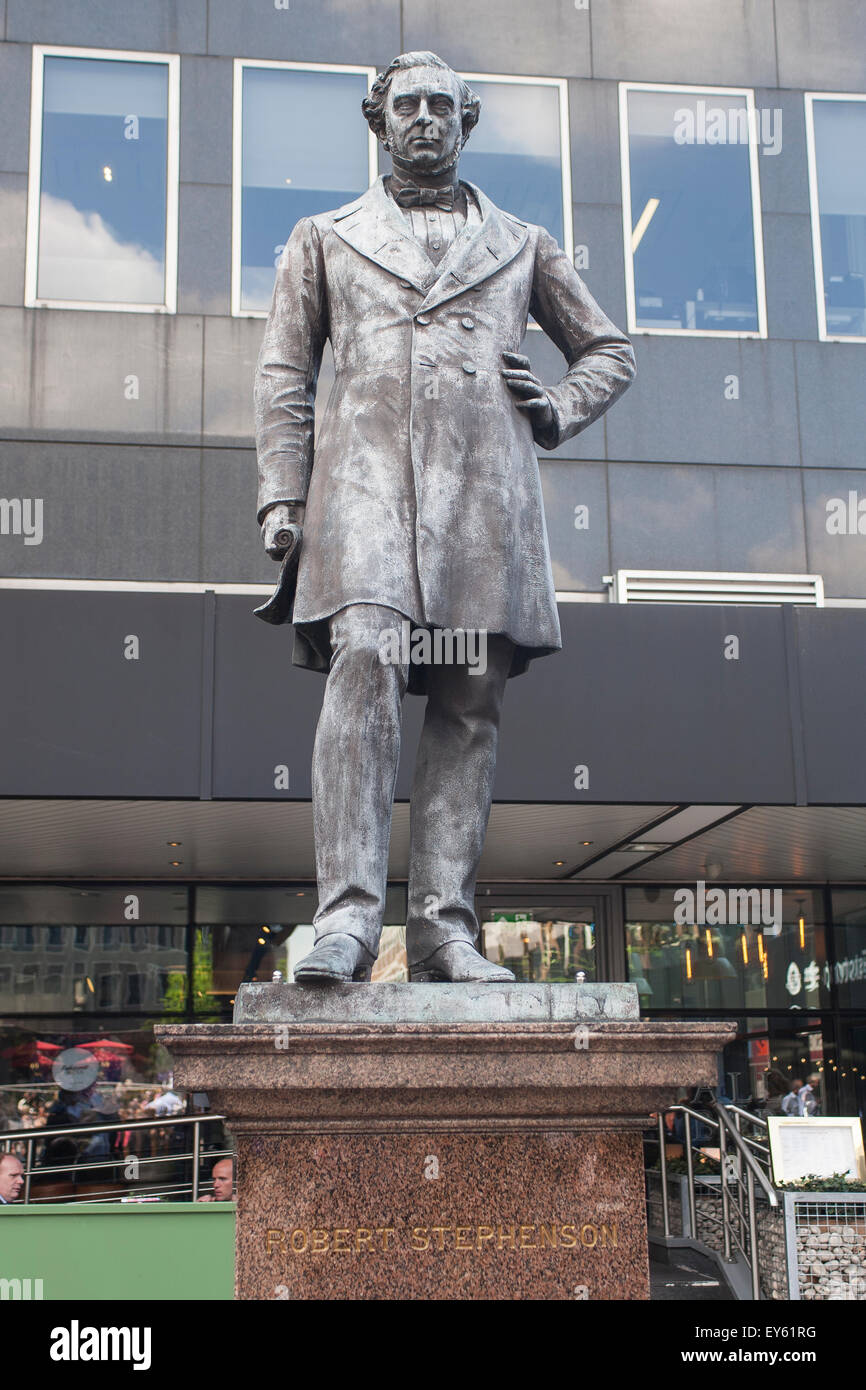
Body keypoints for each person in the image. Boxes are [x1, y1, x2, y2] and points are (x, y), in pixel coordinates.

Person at [255, 51, 635, 985]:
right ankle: (345, 919)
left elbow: (609, 351)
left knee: (468, 699)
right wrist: (281, 494)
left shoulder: (522, 239)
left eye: (440, 105)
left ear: (465, 120)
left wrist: (555, 406)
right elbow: (283, 374)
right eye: (406, 105)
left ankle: (443, 929)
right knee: (368, 662)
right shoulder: (324, 236)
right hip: (365, 496)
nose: (423, 118)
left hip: (480, 501)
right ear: (377, 119)